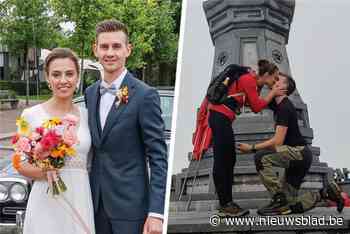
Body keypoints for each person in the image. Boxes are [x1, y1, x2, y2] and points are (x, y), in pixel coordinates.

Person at [84, 19, 168, 234]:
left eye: (116, 46)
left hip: (131, 209)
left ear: (128, 50)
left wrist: (156, 213)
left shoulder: (145, 95)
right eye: (104, 47)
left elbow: (158, 157)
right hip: (94, 205)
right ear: (96, 49)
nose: (110, 53)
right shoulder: (90, 93)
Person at [238, 74, 344, 216]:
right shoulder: (277, 103)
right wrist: (260, 81)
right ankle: (325, 193)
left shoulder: (285, 107)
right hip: (299, 157)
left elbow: (277, 142)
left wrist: (251, 148)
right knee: (290, 205)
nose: (273, 80)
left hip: (298, 153)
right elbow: (255, 102)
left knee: (261, 157)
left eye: (278, 80)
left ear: (284, 88)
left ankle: (278, 198)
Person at [192, 60, 287, 217]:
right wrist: (273, 93)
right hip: (220, 117)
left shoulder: (248, 80)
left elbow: (253, 103)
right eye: (274, 78)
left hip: (221, 118)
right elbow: (257, 107)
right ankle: (225, 204)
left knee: (227, 159)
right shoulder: (248, 79)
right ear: (267, 74)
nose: (275, 82)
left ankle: (227, 202)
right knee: (224, 160)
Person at [16, 48, 95, 234]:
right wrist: (46, 170)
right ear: (48, 78)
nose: (63, 80)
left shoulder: (88, 116)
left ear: (77, 78)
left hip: (81, 198)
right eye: (56, 74)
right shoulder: (30, 115)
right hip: (46, 199)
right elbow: (19, 163)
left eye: (69, 74)